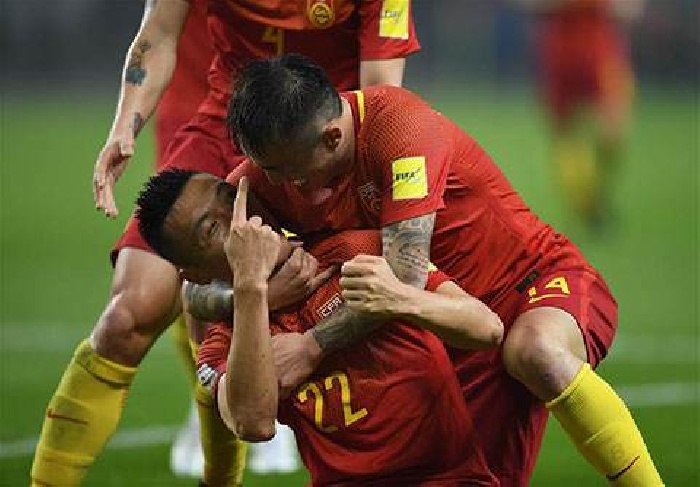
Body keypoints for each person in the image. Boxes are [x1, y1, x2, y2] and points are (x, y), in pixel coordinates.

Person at [221, 54, 664, 486]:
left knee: (535, 351)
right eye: (264, 167)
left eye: (285, 170)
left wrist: (313, 344)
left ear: (332, 138)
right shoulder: (267, 172)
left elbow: (404, 277)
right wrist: (249, 291)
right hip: (455, 332)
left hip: (532, 284)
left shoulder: (401, 129)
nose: (274, 183)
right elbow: (198, 276)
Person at [31, 1, 420, 485]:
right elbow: (158, 33)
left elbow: (379, 91)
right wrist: (123, 128)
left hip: (316, 151)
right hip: (222, 135)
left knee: (349, 317)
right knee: (127, 317)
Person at [135, 170, 503, 485]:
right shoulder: (224, 345)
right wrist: (251, 285)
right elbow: (253, 423)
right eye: (213, 228)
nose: (240, 222)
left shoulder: (356, 251)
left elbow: (486, 328)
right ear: (197, 273)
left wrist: (399, 298)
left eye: (232, 199)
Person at [519, 0, 643, 230]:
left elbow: (630, 8)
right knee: (565, 135)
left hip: (600, 52)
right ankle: (586, 203)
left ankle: (595, 194)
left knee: (613, 133)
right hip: (559, 55)